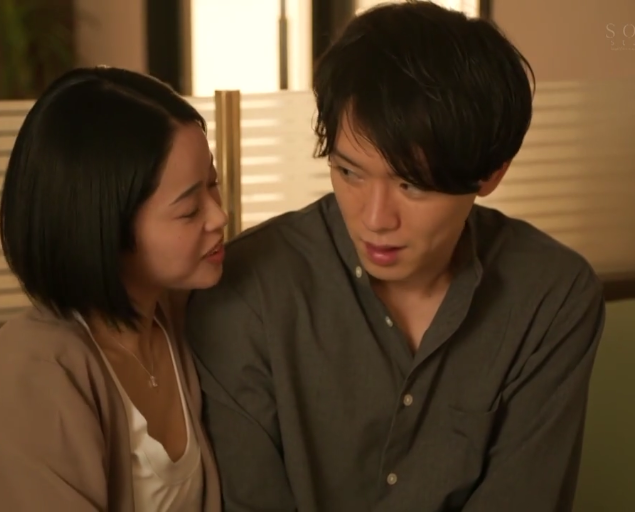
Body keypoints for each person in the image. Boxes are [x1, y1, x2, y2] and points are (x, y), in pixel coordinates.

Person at [185, 2, 606, 511]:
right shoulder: (248, 290)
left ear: (491, 173)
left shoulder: (550, 295)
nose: (375, 218)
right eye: (349, 173)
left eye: (412, 185)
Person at [0, 67, 227, 512]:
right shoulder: (28, 378)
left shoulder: (182, 317)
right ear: (105, 225)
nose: (219, 216)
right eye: (190, 208)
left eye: (213, 184)